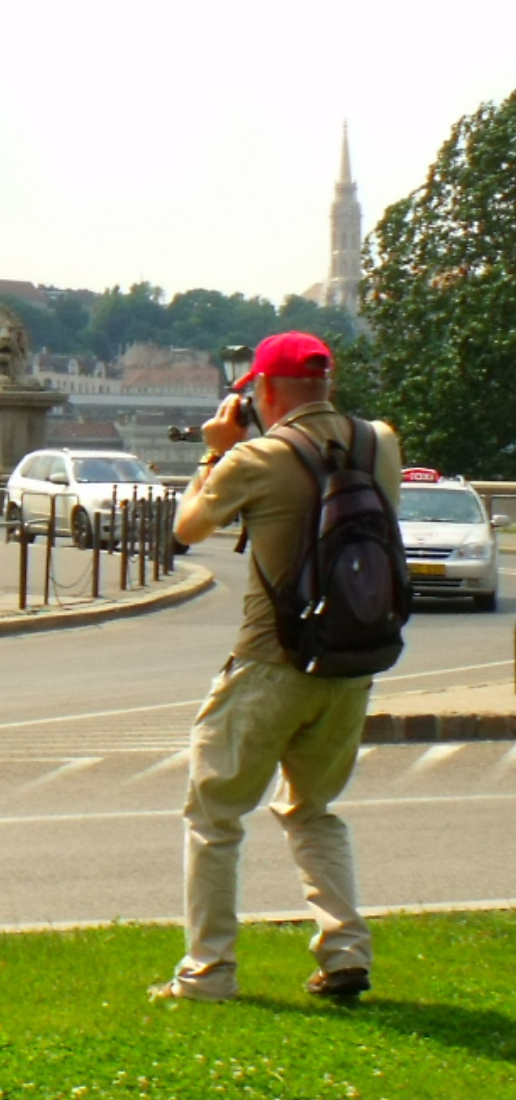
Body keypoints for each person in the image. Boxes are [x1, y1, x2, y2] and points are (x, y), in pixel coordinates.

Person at [149, 331, 402, 1004]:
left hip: (271, 660)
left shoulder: (256, 457)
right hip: (351, 663)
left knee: (214, 814)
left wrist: (215, 450)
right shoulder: (380, 442)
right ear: (327, 382)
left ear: (262, 390)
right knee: (313, 809)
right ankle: (345, 948)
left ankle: (209, 970)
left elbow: (188, 528)